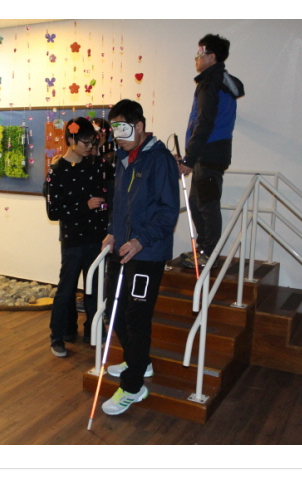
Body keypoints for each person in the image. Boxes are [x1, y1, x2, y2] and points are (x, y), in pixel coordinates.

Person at [100, 99, 180, 416]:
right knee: (113, 312)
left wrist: (140, 240)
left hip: (147, 255)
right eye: (114, 130)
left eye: (123, 130)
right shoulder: (124, 158)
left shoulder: (160, 160)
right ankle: (139, 361)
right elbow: (120, 204)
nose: (117, 137)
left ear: (140, 126)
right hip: (122, 249)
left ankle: (133, 387)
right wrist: (112, 232)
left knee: (137, 318)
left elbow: (168, 212)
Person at [178, 34, 245, 269]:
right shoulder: (218, 81)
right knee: (198, 204)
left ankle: (209, 254)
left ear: (212, 57)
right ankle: (204, 250)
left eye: (200, 53)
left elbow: (204, 122)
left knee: (206, 206)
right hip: (209, 154)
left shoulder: (211, 83)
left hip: (209, 154)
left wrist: (189, 158)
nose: (196, 58)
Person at [43, 117, 108, 356]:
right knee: (66, 290)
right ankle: (57, 336)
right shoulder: (57, 170)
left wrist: (101, 211)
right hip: (72, 240)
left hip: (96, 238)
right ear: (71, 140)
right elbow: (53, 212)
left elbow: (105, 197)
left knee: (94, 290)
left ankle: (94, 330)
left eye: (92, 142)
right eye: (85, 142)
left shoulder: (95, 166)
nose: (89, 147)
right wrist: (85, 206)